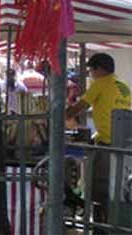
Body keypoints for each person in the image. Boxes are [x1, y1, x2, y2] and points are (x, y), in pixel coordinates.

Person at [66, 53, 131, 225]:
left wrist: (58, 117)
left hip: (108, 144)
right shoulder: (123, 86)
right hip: (124, 144)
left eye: (91, 71)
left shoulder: (100, 84)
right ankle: (112, 223)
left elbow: (79, 107)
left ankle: (102, 226)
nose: (90, 75)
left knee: (100, 189)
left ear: (99, 69)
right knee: (119, 189)